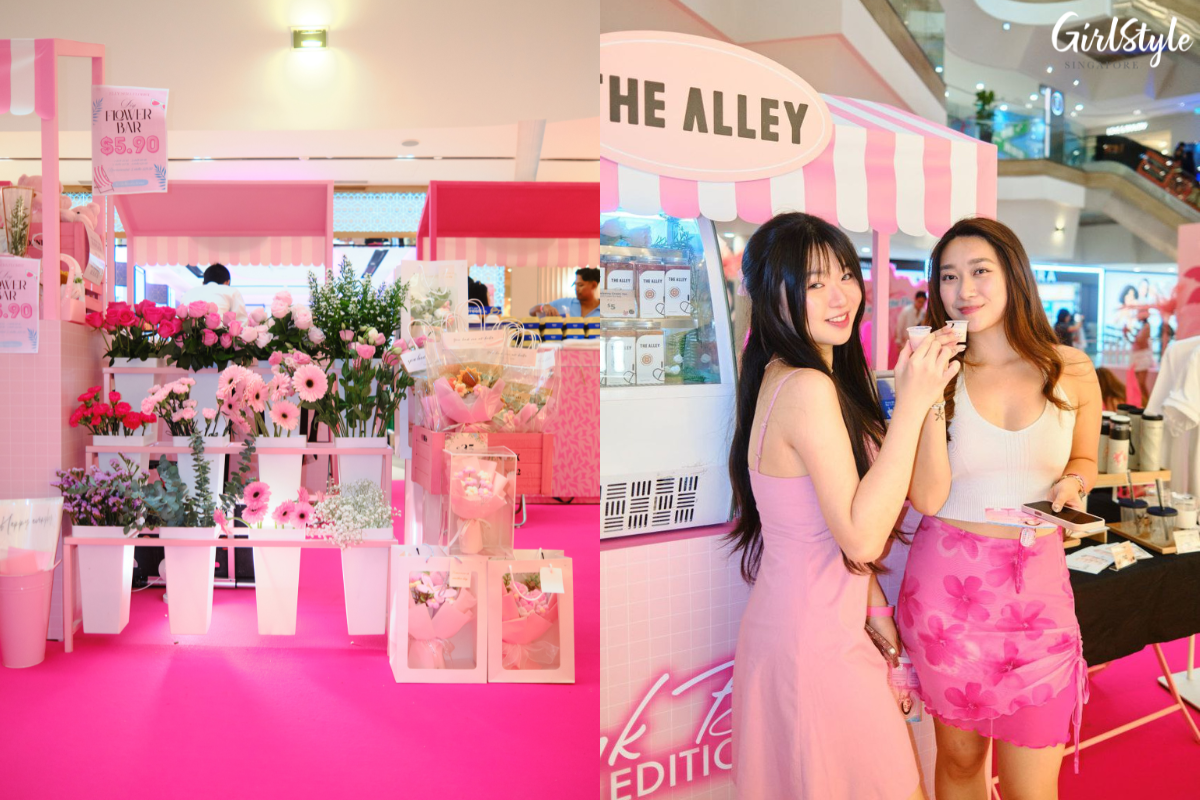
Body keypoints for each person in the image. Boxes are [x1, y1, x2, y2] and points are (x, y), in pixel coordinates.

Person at [727, 212, 957, 800]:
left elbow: (918, 497)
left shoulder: (800, 378)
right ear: (772, 297)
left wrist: (874, 606)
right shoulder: (806, 387)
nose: (840, 296)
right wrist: (912, 403)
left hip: (818, 626)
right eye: (812, 283)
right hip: (813, 644)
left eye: (846, 275)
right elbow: (858, 537)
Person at [904, 217, 1100, 799]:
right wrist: (927, 391)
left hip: (1037, 587)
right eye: (948, 276)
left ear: (1014, 274)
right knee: (960, 763)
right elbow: (928, 497)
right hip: (947, 589)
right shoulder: (935, 373)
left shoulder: (1073, 369)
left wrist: (1075, 484)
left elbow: (1085, 458)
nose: (964, 290)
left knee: (1032, 786)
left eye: (980, 271)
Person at [180, 263, 248, 323]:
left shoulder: (188, 293)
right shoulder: (232, 291)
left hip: (190, 336)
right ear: (227, 282)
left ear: (203, 283)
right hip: (220, 335)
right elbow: (241, 321)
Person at [529, 267, 600, 317]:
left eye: (580, 285)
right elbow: (532, 311)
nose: (576, 289)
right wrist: (543, 307)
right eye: (575, 285)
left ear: (594, 285)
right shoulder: (566, 303)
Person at [1126, 309, 1153, 401]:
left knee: (1141, 383)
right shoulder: (1142, 327)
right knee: (1137, 383)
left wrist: (1130, 332)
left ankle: (1147, 402)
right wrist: (1127, 334)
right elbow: (1135, 342)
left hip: (1143, 357)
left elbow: (1140, 341)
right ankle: (1141, 402)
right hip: (1137, 356)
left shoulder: (1146, 327)